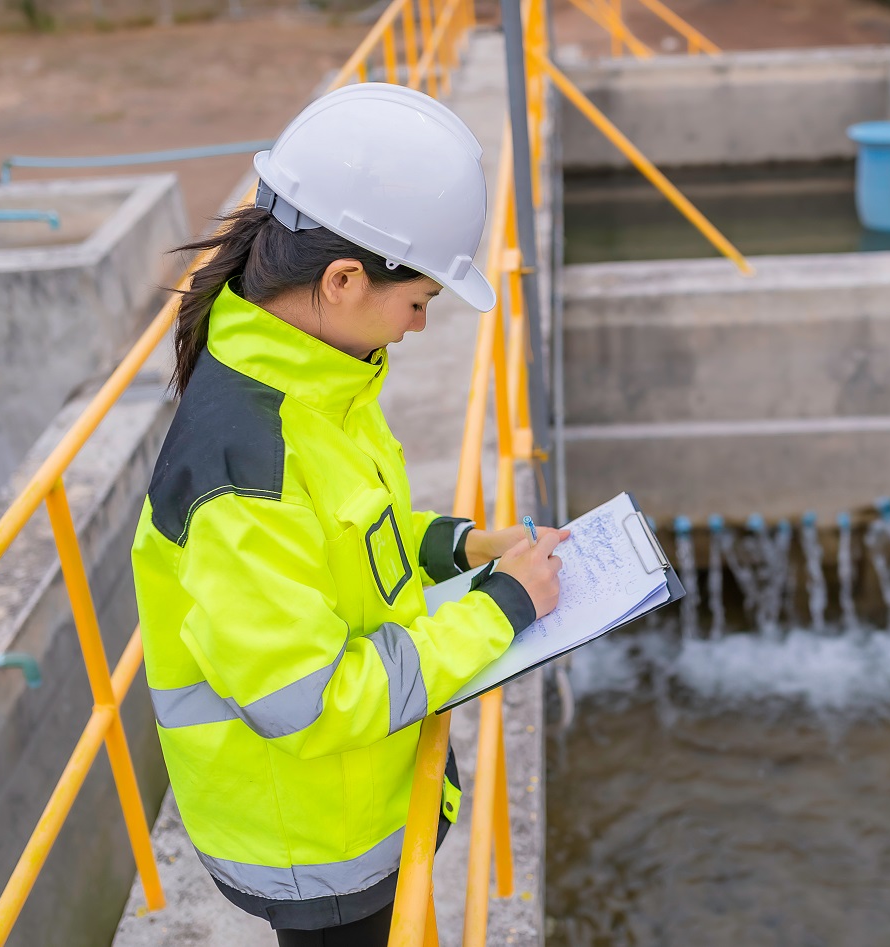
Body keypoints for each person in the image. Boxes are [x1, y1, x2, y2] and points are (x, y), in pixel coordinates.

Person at [128, 83, 566, 947]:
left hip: (350, 798)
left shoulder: (316, 378)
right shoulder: (244, 468)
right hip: (312, 841)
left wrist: (468, 546)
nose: (420, 328)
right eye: (419, 303)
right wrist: (501, 609)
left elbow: (348, 539)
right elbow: (315, 700)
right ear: (342, 279)